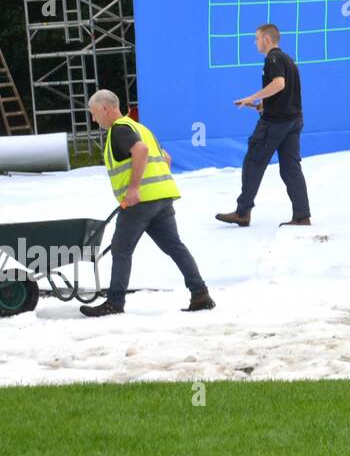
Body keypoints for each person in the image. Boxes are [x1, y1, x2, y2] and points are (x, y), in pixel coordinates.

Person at [82, 90, 214, 316]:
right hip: (162, 198)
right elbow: (166, 158)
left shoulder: (120, 129)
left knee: (121, 249)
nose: (95, 120)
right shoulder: (140, 128)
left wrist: (134, 188)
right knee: (175, 247)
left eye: (94, 114)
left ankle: (114, 303)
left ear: (106, 108)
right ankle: (200, 293)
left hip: (140, 202)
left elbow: (141, 151)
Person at [216, 23, 312, 227]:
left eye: (257, 38)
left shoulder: (272, 58)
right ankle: (302, 216)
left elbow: (279, 84)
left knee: (253, 162)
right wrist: (262, 105)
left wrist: (252, 96)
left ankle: (243, 212)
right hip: (293, 121)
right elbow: (287, 94)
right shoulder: (289, 60)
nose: (255, 42)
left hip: (275, 123)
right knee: (290, 169)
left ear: (267, 40)